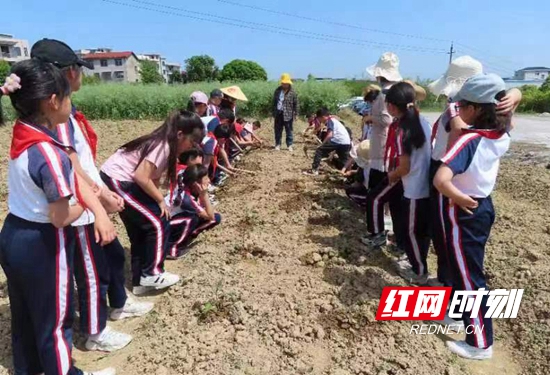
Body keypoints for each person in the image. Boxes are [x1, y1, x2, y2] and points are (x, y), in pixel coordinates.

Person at [31, 38, 156, 352]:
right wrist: (100, 201)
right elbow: (72, 169)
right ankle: (95, 333)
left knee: (109, 258)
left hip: (88, 200)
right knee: (90, 271)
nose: (82, 75)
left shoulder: (64, 111)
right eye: (79, 69)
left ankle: (116, 305)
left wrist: (103, 194)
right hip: (79, 208)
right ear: (67, 73)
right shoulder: (55, 116)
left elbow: (82, 163)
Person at [0, 60, 115, 375]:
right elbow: (62, 217)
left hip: (14, 234)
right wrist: (90, 206)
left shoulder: (24, 131)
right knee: (56, 321)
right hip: (42, 244)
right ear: (53, 101)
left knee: (26, 315)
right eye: (67, 98)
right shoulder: (48, 153)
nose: (70, 104)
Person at [434, 73, 511, 360]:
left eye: (463, 104)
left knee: (468, 276)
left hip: (463, 209)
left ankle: (480, 342)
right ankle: (457, 315)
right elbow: (509, 107)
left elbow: (441, 179)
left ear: (476, 109)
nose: (460, 109)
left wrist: (454, 196)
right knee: (461, 268)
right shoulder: (500, 134)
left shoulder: (469, 140)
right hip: (481, 205)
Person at [428, 56, 522, 288]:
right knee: (457, 247)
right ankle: (451, 285)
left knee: (447, 240)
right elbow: (512, 109)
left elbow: (458, 143)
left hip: (452, 176)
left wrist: (455, 188)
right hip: (466, 183)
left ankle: (451, 290)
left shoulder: (461, 117)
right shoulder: (499, 131)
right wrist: (515, 95)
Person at [100, 110, 205, 295]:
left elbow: (152, 178)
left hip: (124, 181)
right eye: (191, 141)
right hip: (118, 180)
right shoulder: (163, 145)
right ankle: (152, 272)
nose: (191, 147)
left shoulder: (168, 146)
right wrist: (159, 201)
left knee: (140, 230)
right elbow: (141, 176)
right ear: (180, 134)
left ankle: (141, 282)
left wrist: (156, 199)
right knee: (157, 223)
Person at [384, 82, 432, 284]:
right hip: (427, 186)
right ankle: (420, 265)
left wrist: (391, 176)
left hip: (413, 189)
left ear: (392, 107)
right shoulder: (423, 121)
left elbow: (404, 167)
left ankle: (419, 271)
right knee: (422, 232)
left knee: (412, 233)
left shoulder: (402, 130)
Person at [363, 52, 402, 189]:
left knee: (377, 187)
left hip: (383, 144)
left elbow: (386, 119)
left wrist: (370, 118)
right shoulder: (395, 91)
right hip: (387, 143)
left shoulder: (384, 94)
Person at [167, 165, 221, 259]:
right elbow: (209, 216)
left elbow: (212, 216)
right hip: (166, 225)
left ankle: (188, 235)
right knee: (191, 219)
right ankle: (172, 249)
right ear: (196, 184)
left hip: (176, 222)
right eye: (206, 178)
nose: (209, 180)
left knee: (216, 218)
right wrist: (204, 194)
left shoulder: (191, 189)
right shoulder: (186, 199)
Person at [304, 107, 351, 176]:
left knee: (319, 150)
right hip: (346, 142)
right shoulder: (334, 120)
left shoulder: (330, 121)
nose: (320, 121)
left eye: (319, 119)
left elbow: (330, 135)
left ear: (323, 117)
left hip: (338, 140)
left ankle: (314, 170)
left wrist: (322, 144)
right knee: (344, 160)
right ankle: (347, 176)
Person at [273, 73, 299, 152]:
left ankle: (289, 145)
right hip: (278, 113)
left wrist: (296, 114)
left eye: (286, 83)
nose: (285, 85)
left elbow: (296, 104)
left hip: (288, 114)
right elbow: (274, 102)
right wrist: (273, 113)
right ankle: (278, 144)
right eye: (283, 83)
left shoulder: (293, 92)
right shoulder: (277, 90)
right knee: (278, 130)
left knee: (289, 130)